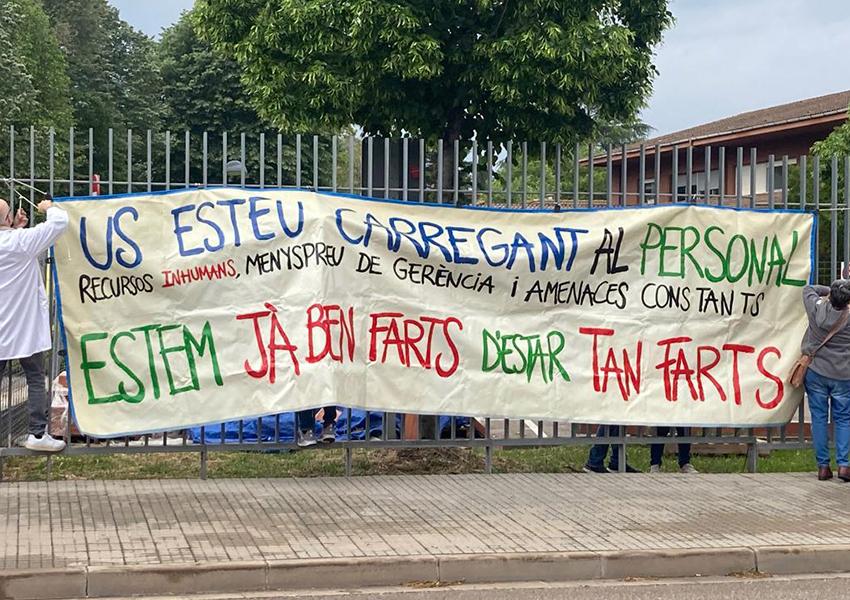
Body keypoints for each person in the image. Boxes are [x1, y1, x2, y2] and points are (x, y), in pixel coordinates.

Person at [0, 197, 69, 452]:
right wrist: (48, 208)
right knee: (36, 378)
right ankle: (37, 434)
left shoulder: (18, 239)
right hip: (23, 328)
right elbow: (60, 222)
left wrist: (16, 228)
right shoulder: (22, 242)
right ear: (7, 219)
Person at [802, 280, 850, 481]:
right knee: (844, 419)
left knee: (819, 418)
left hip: (816, 372)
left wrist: (830, 291)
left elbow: (808, 289)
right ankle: (844, 466)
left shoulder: (815, 308)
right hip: (844, 374)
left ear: (830, 297)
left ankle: (823, 467)